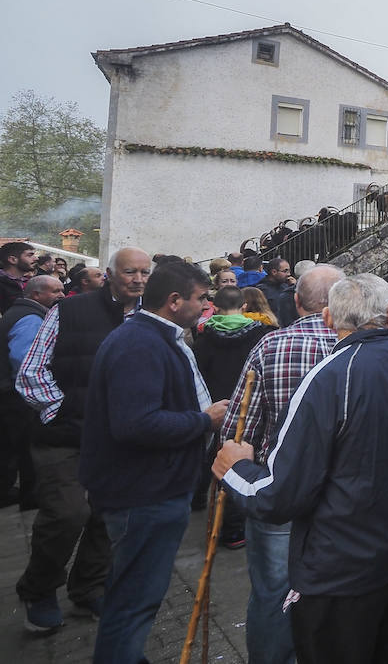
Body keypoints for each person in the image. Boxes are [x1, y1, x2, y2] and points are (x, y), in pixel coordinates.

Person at [214, 274, 388, 664]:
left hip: (339, 570)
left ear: (329, 319)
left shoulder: (329, 377)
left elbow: (281, 495)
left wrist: (235, 470)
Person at [80, 260, 229, 663]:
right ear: (174, 300)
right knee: (135, 598)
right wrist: (204, 419)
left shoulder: (155, 337)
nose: (205, 306)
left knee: (132, 591)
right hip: (143, 494)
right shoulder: (139, 343)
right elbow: (136, 423)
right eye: (200, 299)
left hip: (152, 490)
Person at [14, 247, 151, 634]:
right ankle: (38, 589)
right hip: (65, 436)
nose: (138, 279)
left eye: (144, 272)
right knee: (68, 513)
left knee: (109, 515)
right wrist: (61, 409)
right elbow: (32, 371)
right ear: (109, 274)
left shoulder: (151, 317)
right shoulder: (71, 311)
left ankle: (89, 586)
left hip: (118, 438)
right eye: (129, 271)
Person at [221, 263, 344, 664]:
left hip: (279, 491)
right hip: (342, 496)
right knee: (337, 590)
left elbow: (241, 430)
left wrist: (237, 471)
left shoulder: (269, 347)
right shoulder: (358, 350)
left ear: (295, 302)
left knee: (275, 593)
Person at [192, 285, 273, 540]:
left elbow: (199, 372)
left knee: (210, 455)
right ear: (244, 306)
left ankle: (198, 498)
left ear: (214, 306)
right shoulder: (262, 334)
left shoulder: (204, 336)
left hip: (216, 402)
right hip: (247, 403)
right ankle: (234, 528)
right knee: (239, 460)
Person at [0, 275, 64, 510]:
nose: (61, 295)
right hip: (14, 395)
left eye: (61, 290)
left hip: (8, 390)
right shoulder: (31, 318)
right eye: (54, 291)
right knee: (26, 447)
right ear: (36, 294)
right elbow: (25, 360)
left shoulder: (21, 311)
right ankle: (31, 495)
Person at [0, 241, 37, 312]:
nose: (36, 259)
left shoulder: (30, 282)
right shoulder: (2, 284)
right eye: (30, 255)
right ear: (13, 260)